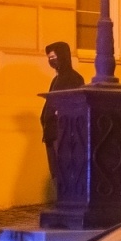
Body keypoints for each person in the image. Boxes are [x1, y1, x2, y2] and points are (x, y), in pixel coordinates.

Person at [40, 41, 85, 172]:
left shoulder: (74, 78)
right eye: (49, 58)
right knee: (56, 173)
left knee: (64, 172)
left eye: (53, 57)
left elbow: (76, 105)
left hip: (63, 134)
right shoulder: (56, 79)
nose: (51, 61)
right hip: (51, 134)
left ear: (62, 56)